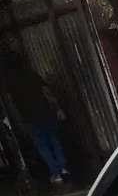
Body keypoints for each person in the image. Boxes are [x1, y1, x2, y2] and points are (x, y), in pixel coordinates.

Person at [5, 53, 70, 185]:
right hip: (46, 113)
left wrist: (17, 121)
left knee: (43, 146)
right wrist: (57, 109)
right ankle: (62, 168)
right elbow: (47, 93)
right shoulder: (33, 75)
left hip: (30, 118)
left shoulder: (11, 83)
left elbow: (11, 104)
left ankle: (55, 173)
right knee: (54, 140)